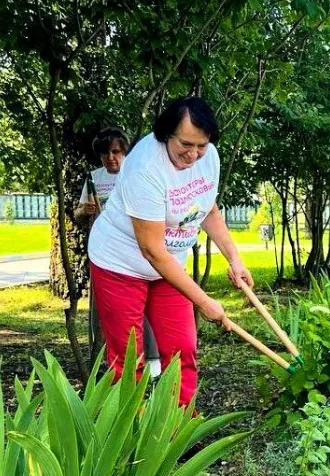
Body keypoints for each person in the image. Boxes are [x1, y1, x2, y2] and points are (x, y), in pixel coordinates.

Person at [87, 97, 253, 406]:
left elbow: (208, 210)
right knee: (129, 356)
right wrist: (204, 302)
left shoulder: (208, 157)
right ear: (166, 135)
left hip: (168, 268)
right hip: (120, 264)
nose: (193, 155)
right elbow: (151, 250)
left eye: (201, 146)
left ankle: (179, 434)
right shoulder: (144, 167)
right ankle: (130, 441)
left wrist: (235, 259)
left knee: (182, 349)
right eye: (186, 145)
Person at [75, 128, 162, 377]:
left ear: (125, 152)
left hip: (135, 248)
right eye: (105, 153)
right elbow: (78, 214)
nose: (111, 158)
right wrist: (86, 210)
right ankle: (113, 363)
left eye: (116, 152)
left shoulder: (133, 174)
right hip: (105, 252)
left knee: (140, 306)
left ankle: (152, 358)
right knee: (110, 310)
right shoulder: (94, 178)